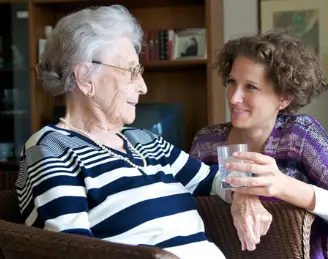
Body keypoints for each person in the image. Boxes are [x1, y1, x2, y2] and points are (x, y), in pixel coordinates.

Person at [14, 5, 272, 259]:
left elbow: (217, 181)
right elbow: (73, 250)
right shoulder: (50, 150)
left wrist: (244, 195)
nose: (143, 87)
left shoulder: (145, 141)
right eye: (131, 72)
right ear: (85, 78)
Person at [190, 31, 328, 259]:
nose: (233, 97)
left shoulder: (300, 136)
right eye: (232, 82)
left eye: (251, 87)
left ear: (284, 98)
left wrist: (281, 186)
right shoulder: (207, 142)